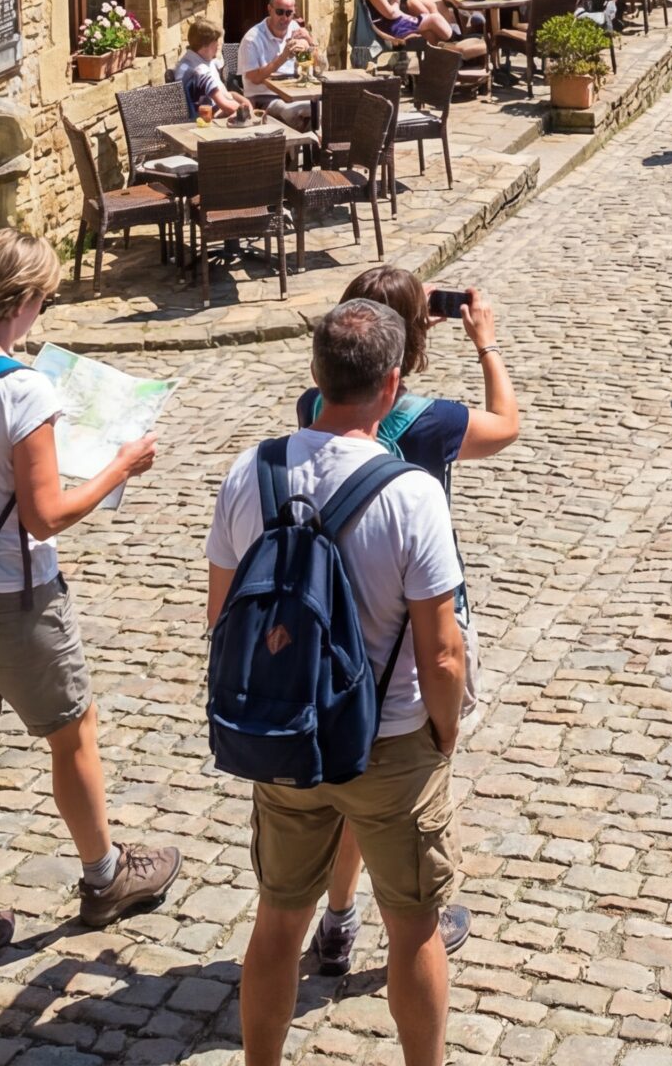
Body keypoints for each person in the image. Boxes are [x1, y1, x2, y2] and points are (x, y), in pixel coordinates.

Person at [0, 229, 179, 992]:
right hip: (8, 599)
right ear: (20, 301)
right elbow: (44, 515)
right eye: (45, 298)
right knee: (72, 734)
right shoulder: (23, 389)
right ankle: (105, 877)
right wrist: (121, 462)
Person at [208, 301, 466, 1066]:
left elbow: (221, 618)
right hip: (388, 742)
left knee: (279, 921)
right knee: (412, 926)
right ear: (392, 383)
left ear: (317, 378)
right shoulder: (411, 491)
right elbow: (442, 649)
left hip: (285, 736)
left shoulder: (250, 472)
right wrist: (442, 733)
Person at [294, 267, 519, 974]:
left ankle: (335, 919)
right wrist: (486, 345)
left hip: (341, 610)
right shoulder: (436, 422)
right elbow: (507, 426)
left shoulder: (310, 405)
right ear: (409, 343)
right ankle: (420, 910)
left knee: (349, 769)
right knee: (408, 780)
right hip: (423, 613)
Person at [238, 0, 318, 133]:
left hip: (294, 93)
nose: (285, 18)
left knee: (326, 108)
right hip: (264, 98)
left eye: (289, 13)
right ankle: (299, 148)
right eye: (280, 12)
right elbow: (254, 78)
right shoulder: (252, 39)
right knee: (298, 112)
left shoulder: (294, 28)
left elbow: (318, 65)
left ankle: (314, 148)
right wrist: (283, 57)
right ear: (270, 9)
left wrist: (310, 42)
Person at [174, 18, 255, 121]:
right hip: (209, 122)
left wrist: (246, 103)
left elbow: (226, 94)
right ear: (205, 45)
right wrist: (247, 109)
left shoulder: (193, 60)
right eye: (215, 40)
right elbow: (227, 107)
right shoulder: (200, 72)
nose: (218, 44)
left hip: (216, 112)